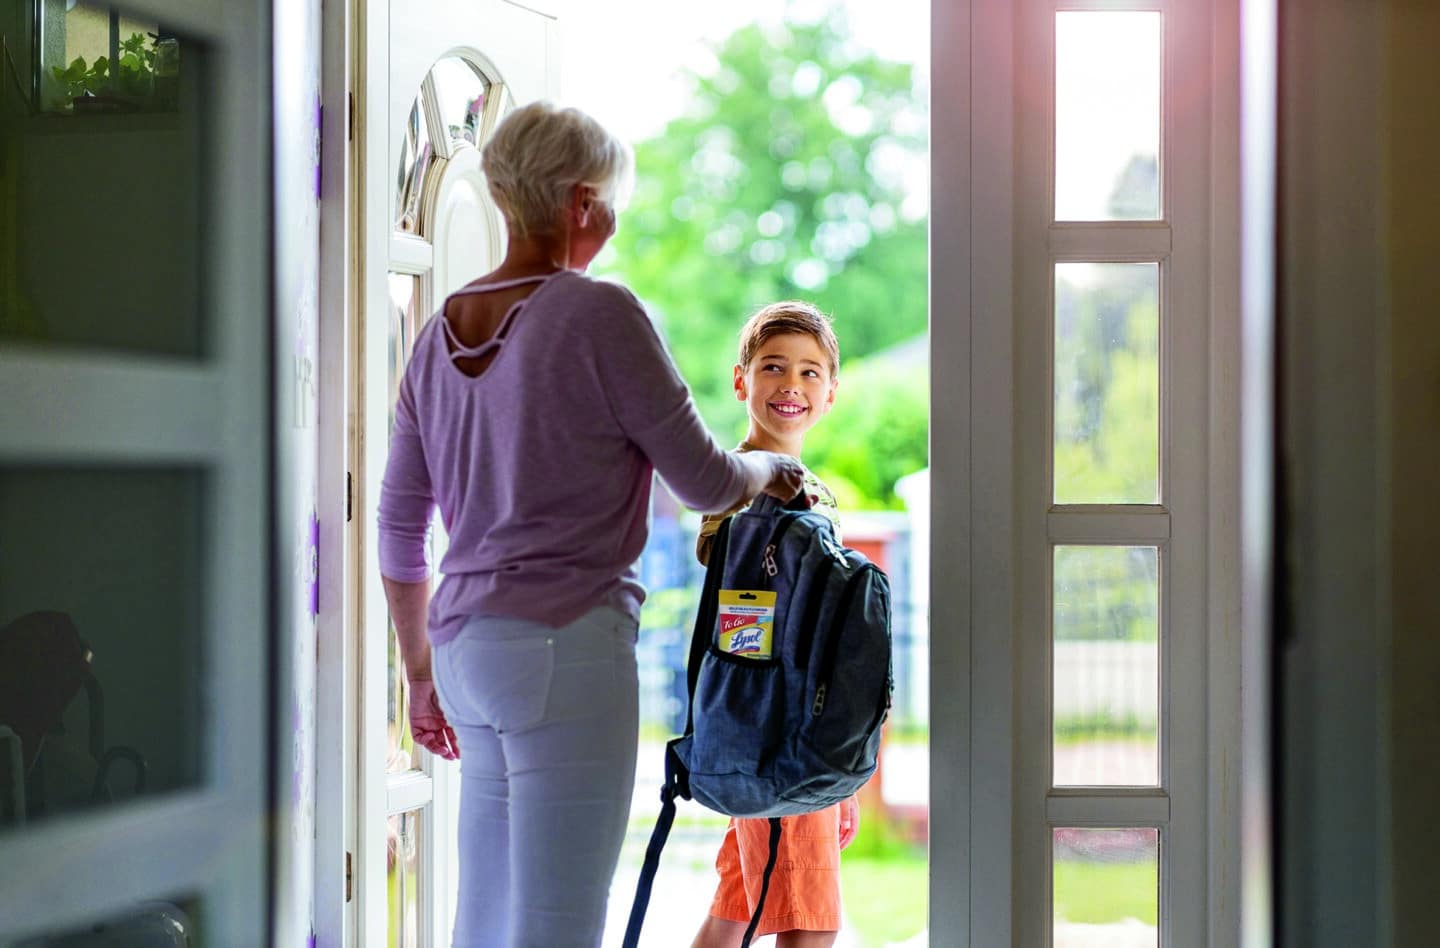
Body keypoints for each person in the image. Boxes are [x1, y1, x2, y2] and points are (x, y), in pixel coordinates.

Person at [376, 101, 805, 948]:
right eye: (609, 200)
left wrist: (419, 673)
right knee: (558, 926)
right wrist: (775, 470)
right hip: (563, 649)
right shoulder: (600, 313)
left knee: (485, 920)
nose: (612, 219)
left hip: (465, 653)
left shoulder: (437, 333)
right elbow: (707, 478)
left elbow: (397, 526)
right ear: (580, 202)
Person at [690, 302, 859, 948]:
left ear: (832, 392)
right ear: (742, 382)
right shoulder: (741, 489)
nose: (793, 385)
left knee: (737, 907)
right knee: (808, 926)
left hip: (775, 738)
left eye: (812, 373)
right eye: (774, 368)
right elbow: (753, 624)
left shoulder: (807, 488)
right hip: (782, 736)